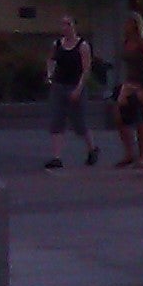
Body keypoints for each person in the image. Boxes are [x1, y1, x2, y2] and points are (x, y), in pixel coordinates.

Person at [44, 14, 98, 170]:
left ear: (74, 26)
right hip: (59, 85)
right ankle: (57, 157)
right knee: (57, 121)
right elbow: (51, 60)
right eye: (63, 25)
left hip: (75, 85)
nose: (65, 28)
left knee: (79, 123)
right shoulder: (57, 44)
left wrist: (79, 89)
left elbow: (86, 69)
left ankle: (92, 149)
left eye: (68, 24)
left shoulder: (82, 45)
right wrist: (49, 76)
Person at [113, 12, 143, 169]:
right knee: (120, 117)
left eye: (128, 23)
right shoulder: (126, 42)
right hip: (129, 82)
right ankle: (129, 153)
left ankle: (142, 157)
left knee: (141, 119)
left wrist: (141, 87)